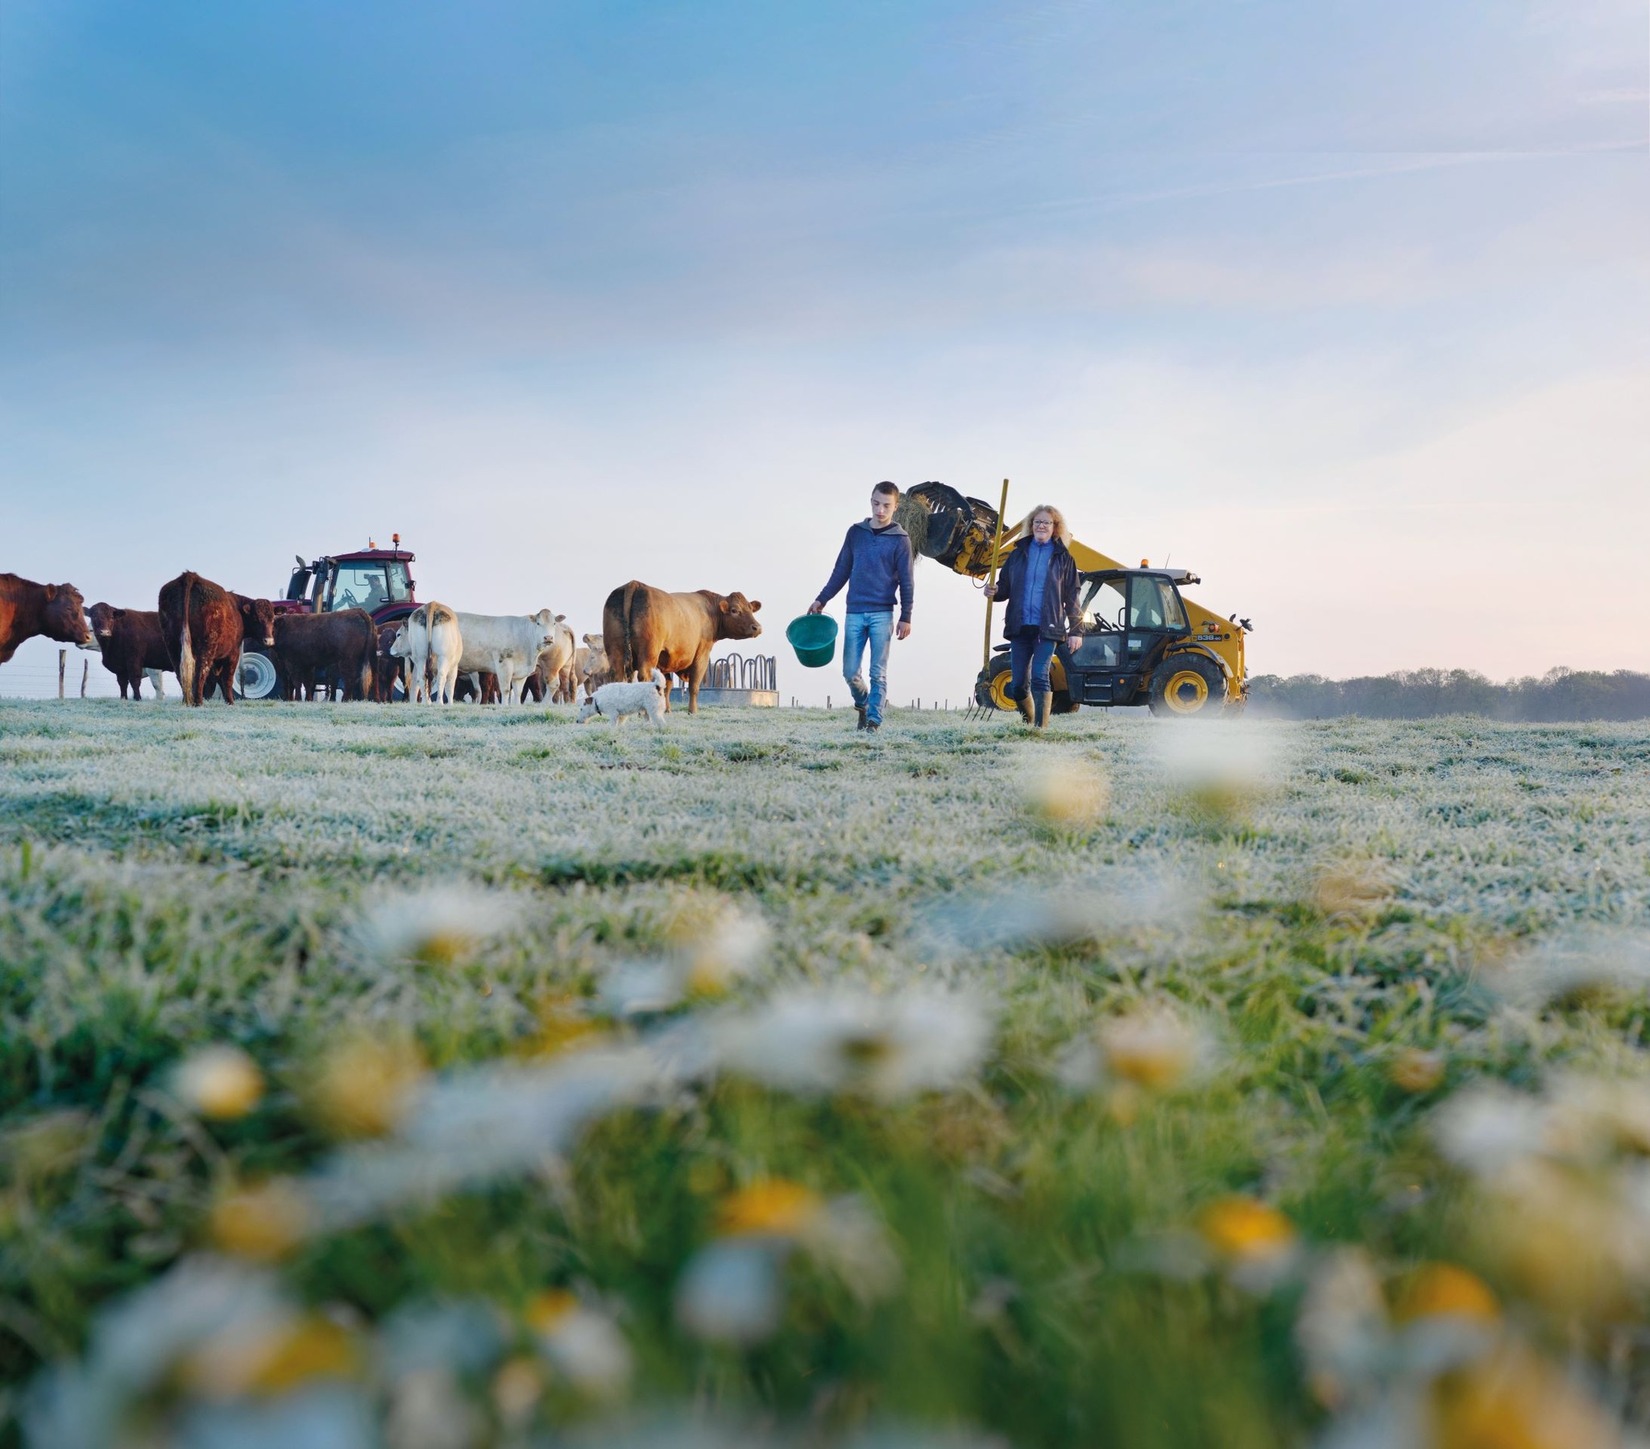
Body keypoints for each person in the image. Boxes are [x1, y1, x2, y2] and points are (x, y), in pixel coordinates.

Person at [808, 481, 914, 733]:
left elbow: (907, 581)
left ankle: (874, 722)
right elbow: (841, 570)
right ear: (871, 501)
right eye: (876, 503)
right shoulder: (855, 533)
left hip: (882, 613)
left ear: (895, 507)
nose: (880, 510)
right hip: (854, 611)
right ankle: (863, 705)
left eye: (886, 505)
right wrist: (821, 599)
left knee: (878, 672)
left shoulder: (901, 540)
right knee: (850, 672)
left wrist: (906, 616)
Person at [982, 504, 1082, 729]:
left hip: (1048, 627)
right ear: (1031, 525)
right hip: (1020, 627)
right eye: (1037, 522)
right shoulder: (1017, 555)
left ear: (1055, 527)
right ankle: (1028, 721)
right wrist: (994, 592)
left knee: (1039, 676)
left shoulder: (1064, 558)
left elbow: (1072, 595)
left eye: (1047, 522)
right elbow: (1004, 587)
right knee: (1017, 684)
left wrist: (1076, 630)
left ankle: (1040, 729)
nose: (1041, 526)